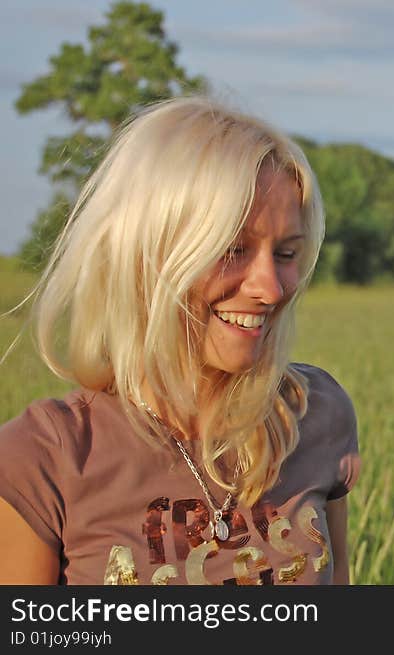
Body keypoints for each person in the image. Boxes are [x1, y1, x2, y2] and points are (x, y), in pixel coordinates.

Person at [0, 96, 360, 585]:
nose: (270, 288)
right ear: (146, 255)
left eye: (286, 253)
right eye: (232, 249)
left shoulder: (316, 415)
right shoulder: (46, 457)